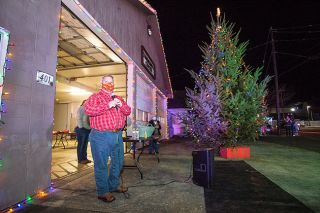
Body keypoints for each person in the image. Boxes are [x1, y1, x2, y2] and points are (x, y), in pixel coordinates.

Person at [84, 75, 131, 203]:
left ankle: (113, 185)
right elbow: (88, 110)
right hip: (100, 135)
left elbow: (128, 111)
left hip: (117, 135)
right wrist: (108, 105)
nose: (109, 84)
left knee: (118, 162)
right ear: (101, 83)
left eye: (111, 82)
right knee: (101, 165)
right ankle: (103, 192)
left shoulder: (118, 97)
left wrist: (121, 105)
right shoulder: (95, 97)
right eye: (106, 81)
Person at [75, 100, 91, 164]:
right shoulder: (81, 108)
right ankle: (80, 159)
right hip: (82, 129)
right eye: (86, 102)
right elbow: (78, 118)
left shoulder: (87, 109)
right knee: (81, 145)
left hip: (87, 129)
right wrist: (81, 127)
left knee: (85, 145)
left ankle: (84, 158)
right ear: (83, 103)